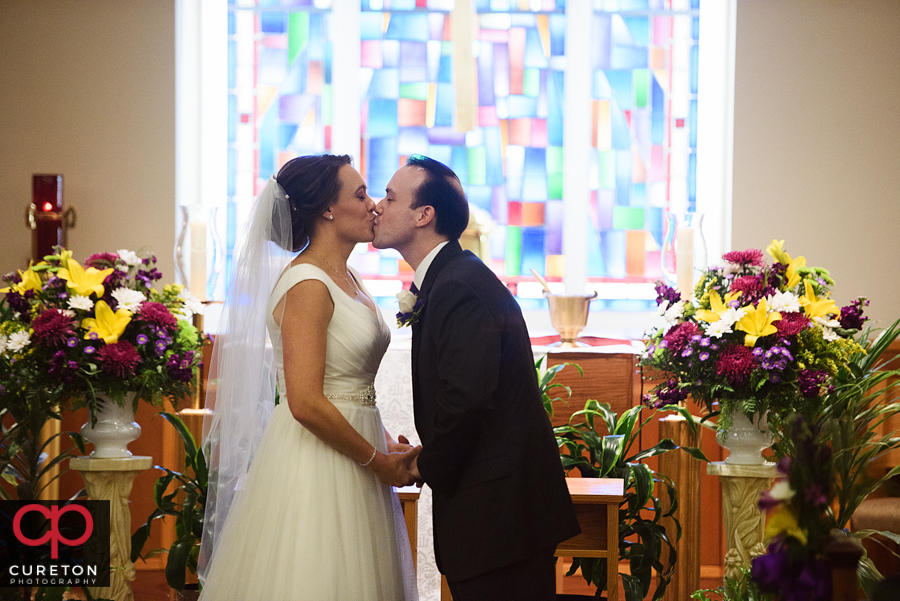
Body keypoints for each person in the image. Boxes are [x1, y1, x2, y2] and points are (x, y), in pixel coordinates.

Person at [198, 155, 420, 600]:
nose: (374, 204)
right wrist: (377, 462)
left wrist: (379, 446)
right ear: (326, 209)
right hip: (316, 460)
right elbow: (303, 400)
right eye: (360, 195)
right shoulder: (307, 283)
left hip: (354, 447)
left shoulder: (348, 275)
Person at [372, 155, 581, 600]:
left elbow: (466, 401)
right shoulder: (452, 279)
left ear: (424, 215)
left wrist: (418, 465)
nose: (377, 206)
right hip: (496, 517)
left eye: (390, 198)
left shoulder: (459, 287)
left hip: (500, 520)